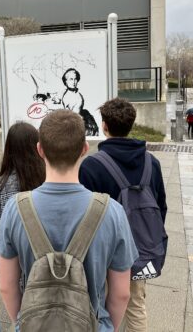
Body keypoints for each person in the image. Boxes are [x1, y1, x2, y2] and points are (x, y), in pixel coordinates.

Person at [0, 110, 139, 331]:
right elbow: (121, 294)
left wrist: (21, 323)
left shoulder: (15, 208)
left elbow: (5, 286)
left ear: (40, 150)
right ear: (84, 149)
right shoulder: (112, 212)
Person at [79, 98, 167, 332]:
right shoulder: (152, 163)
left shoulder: (91, 166)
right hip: (139, 249)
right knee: (136, 305)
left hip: (103, 253)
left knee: (100, 305)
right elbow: (161, 207)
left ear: (104, 126)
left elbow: (86, 216)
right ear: (131, 125)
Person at [0, 122, 45, 263]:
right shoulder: (47, 179)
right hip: (44, 256)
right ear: (37, 146)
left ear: (9, 148)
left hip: (10, 257)